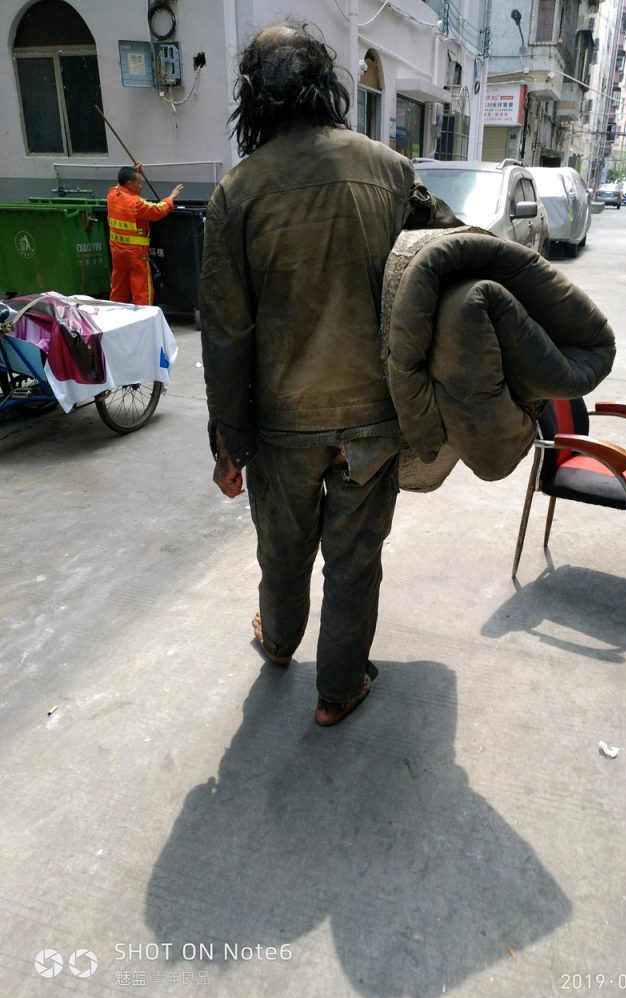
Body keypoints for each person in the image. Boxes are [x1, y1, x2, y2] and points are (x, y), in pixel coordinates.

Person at [200, 21, 452, 727]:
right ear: (325, 85)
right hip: (374, 419)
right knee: (354, 560)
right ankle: (338, 691)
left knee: (281, 551)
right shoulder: (392, 172)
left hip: (283, 427)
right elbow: (452, 262)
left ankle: (279, 642)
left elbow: (226, 334)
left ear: (254, 97)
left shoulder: (237, 193)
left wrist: (229, 444)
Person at [106, 163, 183, 305]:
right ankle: (144, 316)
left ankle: (114, 313)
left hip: (117, 253)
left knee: (119, 289)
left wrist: (135, 172)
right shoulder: (136, 204)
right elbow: (157, 210)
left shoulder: (111, 194)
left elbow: (124, 189)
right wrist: (171, 197)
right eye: (138, 182)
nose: (141, 186)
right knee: (142, 291)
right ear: (129, 183)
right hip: (136, 254)